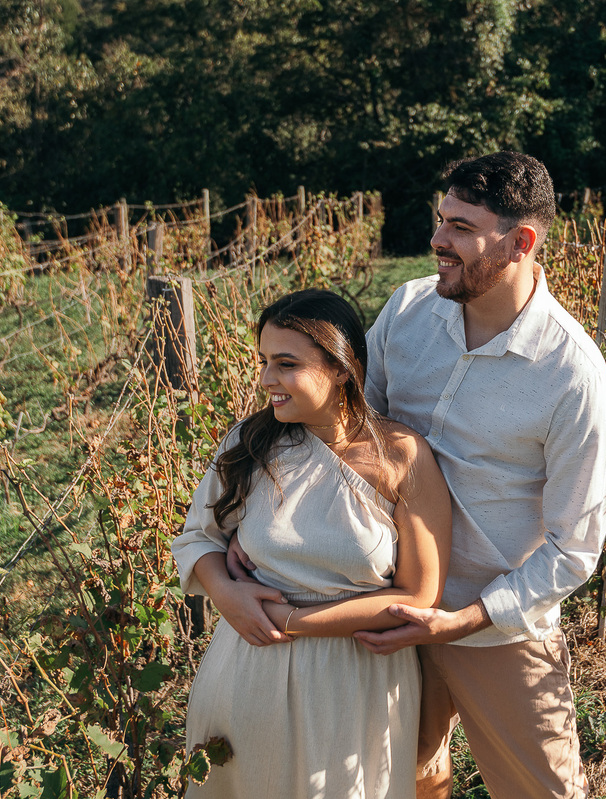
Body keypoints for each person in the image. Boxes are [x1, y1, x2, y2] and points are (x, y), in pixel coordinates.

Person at [235, 151, 606, 798]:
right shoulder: (409, 310)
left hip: (497, 631)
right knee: (399, 778)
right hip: (385, 607)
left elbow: (572, 550)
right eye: (442, 219)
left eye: (462, 227)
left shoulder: (571, 377)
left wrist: (462, 620)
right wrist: (257, 530)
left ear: (521, 242)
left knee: (542, 791)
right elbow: (349, 437)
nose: (438, 238)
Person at [172, 288, 451, 798]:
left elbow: (419, 595)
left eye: (286, 364)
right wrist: (225, 593)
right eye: (263, 361)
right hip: (247, 674)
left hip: (358, 685)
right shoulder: (248, 445)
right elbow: (198, 537)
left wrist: (293, 621)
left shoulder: (402, 457)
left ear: (341, 368)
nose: (266, 379)